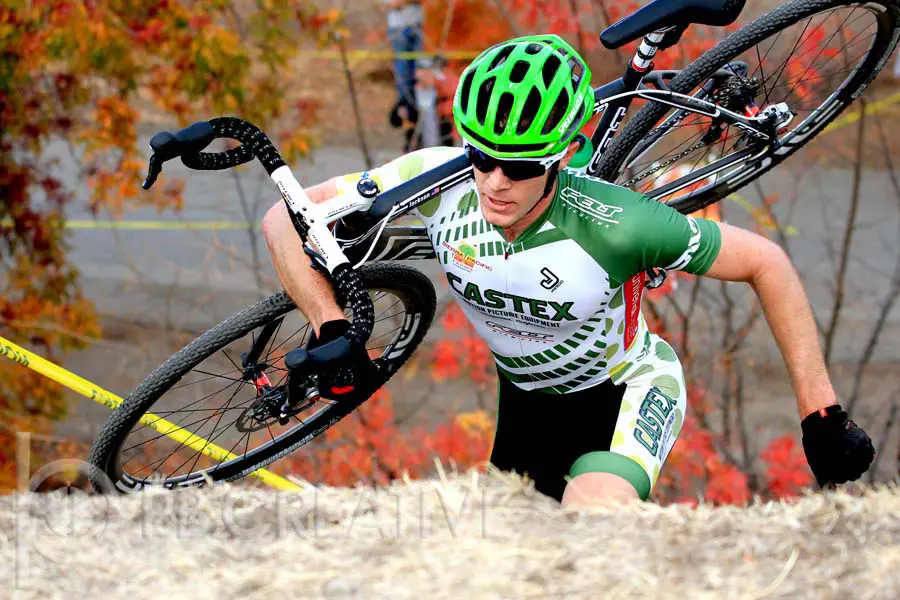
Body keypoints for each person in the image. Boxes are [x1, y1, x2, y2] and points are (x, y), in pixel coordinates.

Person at [263, 35, 875, 507]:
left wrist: (821, 414)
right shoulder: (438, 176)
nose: (496, 182)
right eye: (482, 157)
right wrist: (330, 324)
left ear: (559, 157)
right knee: (512, 560)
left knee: (593, 521)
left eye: (521, 166)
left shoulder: (618, 224)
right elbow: (282, 217)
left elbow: (767, 262)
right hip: (526, 406)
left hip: (622, 393)